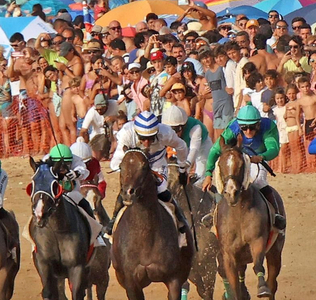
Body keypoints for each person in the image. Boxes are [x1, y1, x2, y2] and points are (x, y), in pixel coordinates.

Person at [107, 110, 191, 245]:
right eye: (143, 138)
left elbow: (181, 146)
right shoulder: (126, 133)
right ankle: (113, 220)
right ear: (136, 133)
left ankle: (181, 221)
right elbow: (115, 163)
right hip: (134, 167)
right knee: (127, 190)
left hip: (156, 165)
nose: (146, 143)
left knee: (161, 190)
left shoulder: (166, 133)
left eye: (151, 138)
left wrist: (182, 168)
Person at [202, 104, 286, 230]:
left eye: (252, 128)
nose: (248, 131)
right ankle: (214, 214)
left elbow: (273, 149)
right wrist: (208, 174)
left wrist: (262, 156)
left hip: (256, 160)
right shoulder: (233, 126)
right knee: (223, 183)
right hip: (237, 158)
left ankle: (276, 215)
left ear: (258, 124)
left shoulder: (268, 126)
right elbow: (215, 150)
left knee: (259, 182)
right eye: (244, 128)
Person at [42, 143, 106, 244]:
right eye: (60, 165)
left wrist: (76, 173)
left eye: (67, 164)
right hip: (52, 194)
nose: (63, 168)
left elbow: (84, 170)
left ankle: (95, 231)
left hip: (71, 193)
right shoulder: (45, 161)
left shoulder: (76, 159)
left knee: (85, 205)